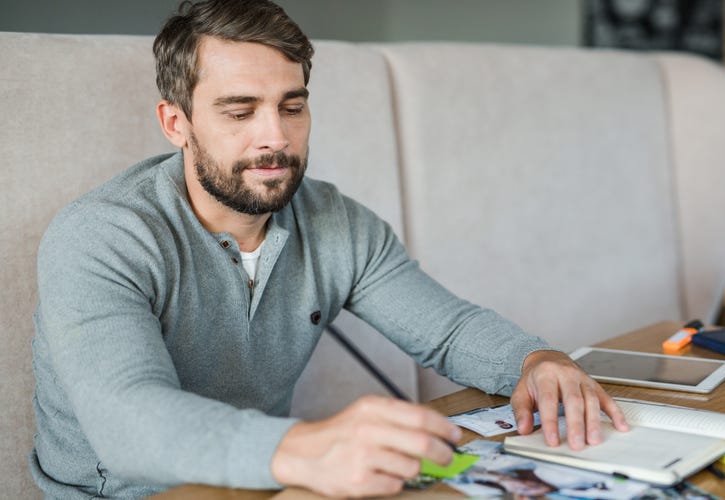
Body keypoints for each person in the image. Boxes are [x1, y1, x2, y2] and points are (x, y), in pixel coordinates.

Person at [29, 0, 628, 498]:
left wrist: (534, 360)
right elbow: (127, 419)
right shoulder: (101, 236)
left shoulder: (335, 222)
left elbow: (448, 332)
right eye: (240, 112)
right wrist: (309, 445)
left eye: (292, 107)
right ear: (175, 123)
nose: (275, 137)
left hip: (264, 481)